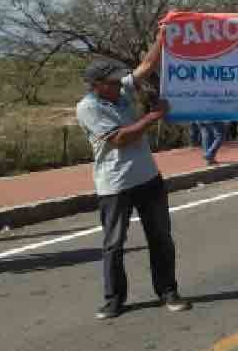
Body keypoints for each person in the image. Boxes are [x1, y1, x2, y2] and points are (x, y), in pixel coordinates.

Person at [76, 30, 190, 320]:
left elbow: (146, 67)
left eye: (118, 80)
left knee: (161, 238)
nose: (119, 84)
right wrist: (154, 115)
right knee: (114, 244)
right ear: (98, 86)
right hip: (115, 185)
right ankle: (114, 299)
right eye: (113, 81)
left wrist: (163, 37)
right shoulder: (88, 108)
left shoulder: (121, 91)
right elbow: (120, 139)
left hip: (148, 179)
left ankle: (167, 291)